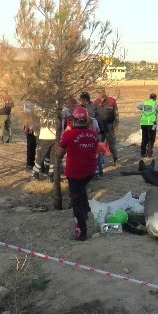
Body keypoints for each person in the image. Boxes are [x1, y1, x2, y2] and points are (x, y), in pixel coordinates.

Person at [57, 106, 98, 241]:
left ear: (73, 120)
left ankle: (82, 233)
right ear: (86, 120)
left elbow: (59, 154)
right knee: (82, 190)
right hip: (89, 171)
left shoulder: (68, 134)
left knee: (76, 204)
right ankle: (86, 211)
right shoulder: (93, 134)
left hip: (75, 173)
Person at [31, 101, 61, 182]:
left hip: (49, 136)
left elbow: (36, 121)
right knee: (46, 156)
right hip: (50, 136)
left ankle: (44, 173)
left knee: (45, 155)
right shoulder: (56, 109)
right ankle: (43, 174)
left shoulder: (42, 108)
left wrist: (36, 133)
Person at [79, 92, 104, 178]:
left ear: (85, 100)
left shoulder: (94, 107)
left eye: (81, 100)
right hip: (87, 133)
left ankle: (99, 171)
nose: (80, 102)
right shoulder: (82, 107)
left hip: (95, 132)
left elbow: (99, 119)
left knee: (98, 152)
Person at [93, 87, 119, 165]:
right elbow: (94, 115)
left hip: (109, 126)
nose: (99, 94)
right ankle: (101, 161)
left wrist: (116, 125)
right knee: (100, 144)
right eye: (98, 93)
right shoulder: (96, 102)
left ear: (104, 92)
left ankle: (115, 159)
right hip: (100, 126)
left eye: (101, 92)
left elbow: (116, 114)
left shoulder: (112, 101)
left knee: (112, 144)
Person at [136, 93, 158, 158]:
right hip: (153, 124)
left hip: (143, 123)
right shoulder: (156, 104)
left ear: (149, 97)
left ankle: (142, 153)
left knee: (144, 138)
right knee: (151, 138)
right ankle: (149, 153)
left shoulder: (145, 102)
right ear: (155, 98)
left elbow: (138, 106)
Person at [22, 102, 40, 170]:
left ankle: (40, 165)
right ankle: (30, 163)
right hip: (31, 128)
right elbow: (26, 116)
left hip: (41, 128)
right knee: (31, 146)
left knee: (41, 148)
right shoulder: (28, 103)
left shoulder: (43, 102)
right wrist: (26, 127)